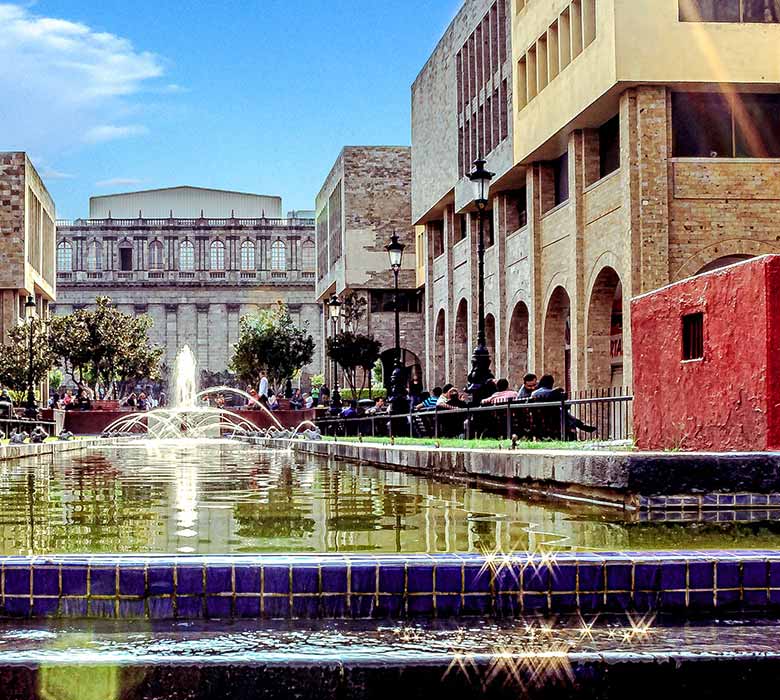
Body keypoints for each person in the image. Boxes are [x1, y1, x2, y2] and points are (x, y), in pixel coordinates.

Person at [531, 375, 596, 436]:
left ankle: (580, 424)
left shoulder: (534, 393)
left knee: (562, 412)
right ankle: (580, 424)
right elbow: (567, 406)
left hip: (539, 418)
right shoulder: (552, 392)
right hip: (554, 418)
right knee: (563, 412)